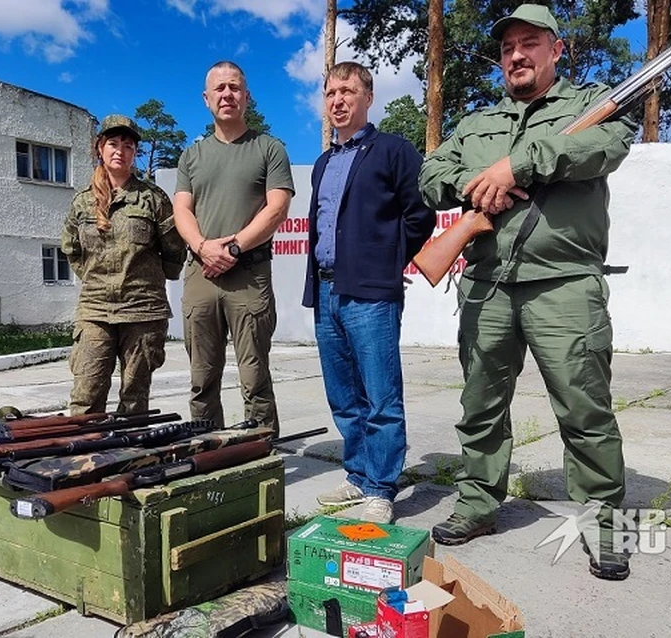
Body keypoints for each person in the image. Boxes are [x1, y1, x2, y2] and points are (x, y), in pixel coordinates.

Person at [419, 5, 637, 580]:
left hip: (564, 283)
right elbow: (429, 178)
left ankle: (604, 523)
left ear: (555, 49)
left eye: (530, 43)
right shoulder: (475, 123)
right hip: (487, 284)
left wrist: (518, 164)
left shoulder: (591, 106)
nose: (516, 54)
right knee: (480, 406)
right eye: (508, 46)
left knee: (584, 409)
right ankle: (477, 504)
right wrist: (475, 184)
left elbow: (607, 147)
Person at [303, 62, 435, 524]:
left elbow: (421, 215)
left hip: (371, 295)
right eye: (331, 93)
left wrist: (388, 260)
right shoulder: (324, 163)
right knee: (345, 397)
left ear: (367, 98)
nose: (338, 100)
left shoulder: (394, 151)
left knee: (381, 396)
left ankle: (381, 486)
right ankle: (357, 474)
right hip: (326, 292)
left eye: (348, 91)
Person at [173, 61, 294, 435]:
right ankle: (208, 453)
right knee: (201, 378)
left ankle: (259, 454)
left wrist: (234, 249)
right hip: (200, 275)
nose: (228, 95)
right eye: (220, 89)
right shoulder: (191, 156)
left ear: (247, 96)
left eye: (235, 87)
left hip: (249, 275)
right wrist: (202, 247)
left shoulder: (269, 149)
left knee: (254, 375)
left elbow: (277, 208)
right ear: (206, 99)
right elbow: (182, 208)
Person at [61, 115, 186, 416]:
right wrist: (97, 278)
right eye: (113, 144)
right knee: (86, 398)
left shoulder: (153, 199)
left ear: (134, 153)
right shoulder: (82, 202)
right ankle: (83, 461)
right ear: (100, 149)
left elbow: (174, 251)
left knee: (134, 400)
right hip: (96, 310)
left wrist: (148, 278)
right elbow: (71, 248)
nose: (120, 150)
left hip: (142, 310)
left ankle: (131, 462)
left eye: (128, 146)